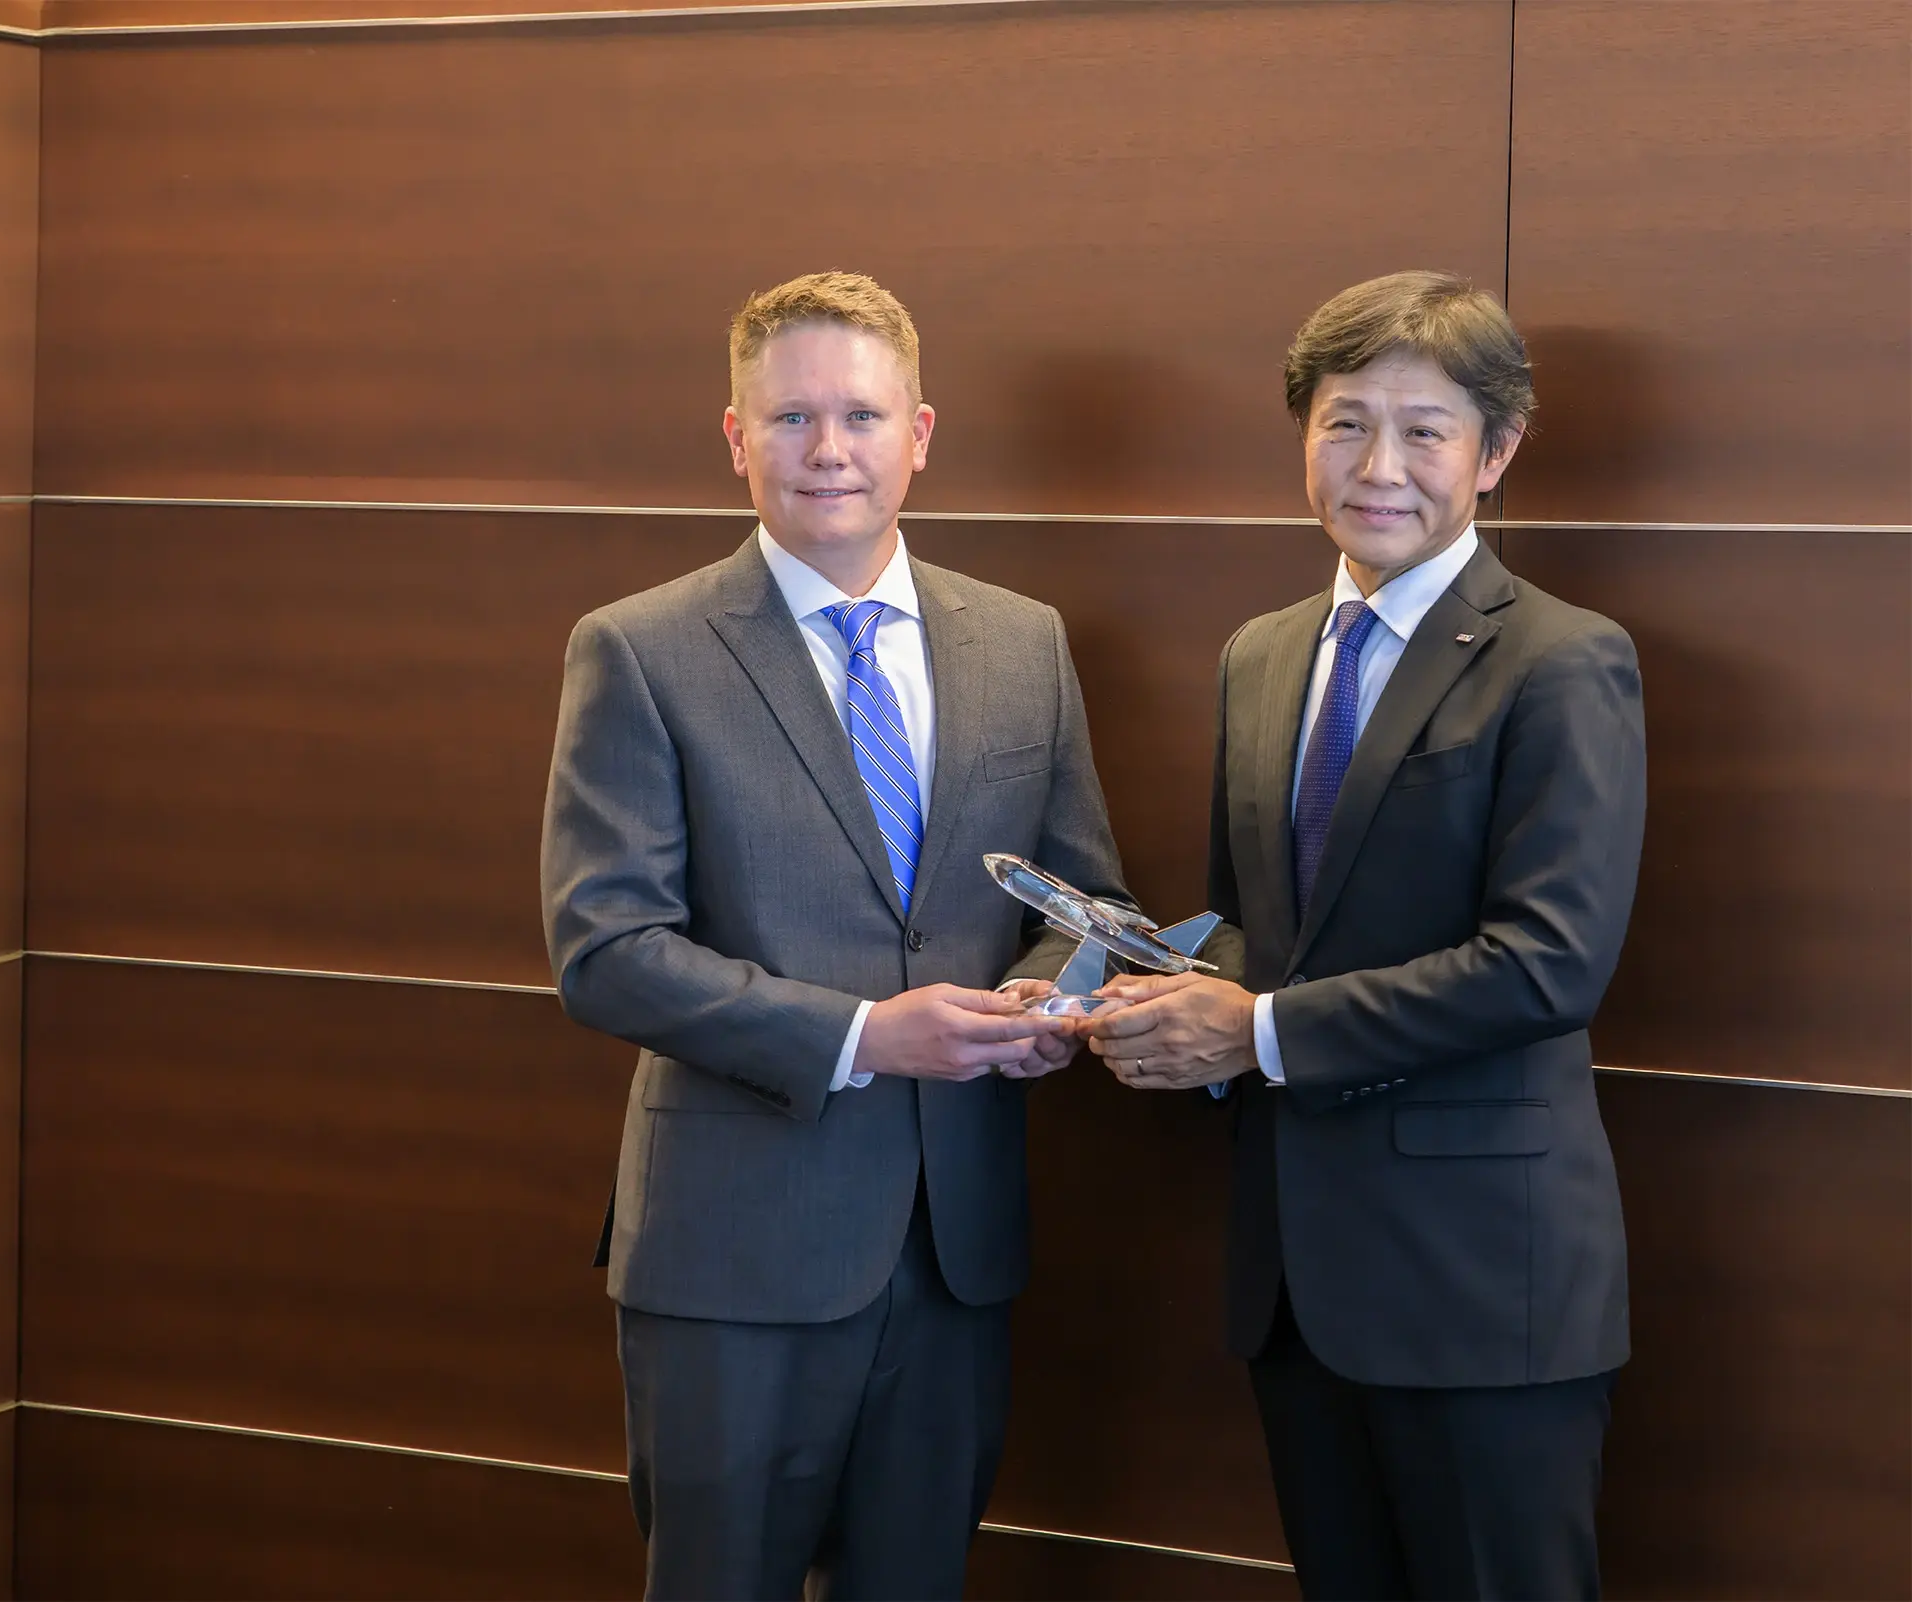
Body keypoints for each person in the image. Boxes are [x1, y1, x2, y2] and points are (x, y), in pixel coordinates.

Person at [539, 271, 1124, 1600]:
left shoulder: (1023, 643)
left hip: (954, 1249)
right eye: (791, 418)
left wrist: (1047, 1007)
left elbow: (1087, 905)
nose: (829, 450)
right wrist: (865, 1035)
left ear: (920, 432)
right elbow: (604, 947)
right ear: (737, 438)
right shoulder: (640, 650)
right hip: (735, 1249)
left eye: (860, 414)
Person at [1079, 270, 1644, 1601]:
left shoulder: (1561, 661)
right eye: (1344, 424)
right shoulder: (1263, 655)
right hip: (1298, 1286)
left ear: (1495, 453)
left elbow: (1550, 961)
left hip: (1483, 1287)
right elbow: (1249, 942)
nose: (1377, 466)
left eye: (1424, 430)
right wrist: (1140, 1003)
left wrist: (1258, 1031)